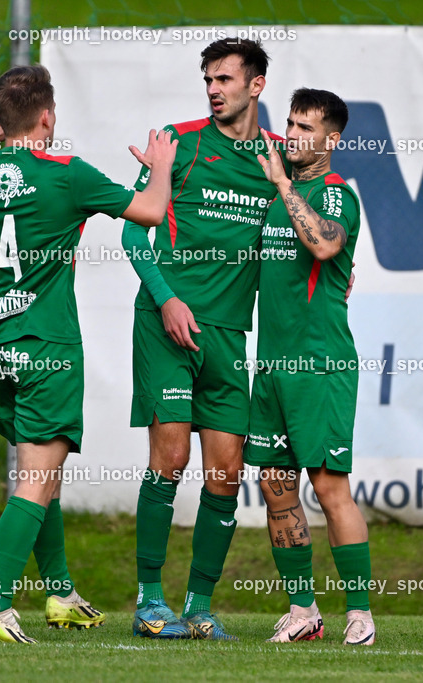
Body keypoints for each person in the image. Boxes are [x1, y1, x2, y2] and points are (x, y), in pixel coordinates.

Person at [0, 64, 176, 644]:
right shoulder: (68, 175)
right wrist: (160, 170)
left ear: (2, 119)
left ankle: (61, 593)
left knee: (41, 474)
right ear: (48, 117)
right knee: (38, 479)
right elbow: (149, 212)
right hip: (47, 344)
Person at [121, 38, 285, 641]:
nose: (214, 89)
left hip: (228, 334)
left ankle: (198, 607)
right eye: (208, 80)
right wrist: (166, 298)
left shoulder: (278, 159)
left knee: (226, 471)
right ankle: (147, 600)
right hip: (166, 323)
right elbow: (134, 233)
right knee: (170, 459)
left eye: (225, 79)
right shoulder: (179, 142)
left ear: (256, 85)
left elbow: (307, 222)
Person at [246, 88, 374, 646]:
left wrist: (281, 184)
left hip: (319, 366)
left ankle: (361, 615)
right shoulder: (281, 194)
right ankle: (304, 611)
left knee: (329, 489)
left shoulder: (336, 194)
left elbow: (324, 246)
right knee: (276, 486)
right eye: (290, 125)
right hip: (271, 367)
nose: (293, 135)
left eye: (305, 127)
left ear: (332, 138)